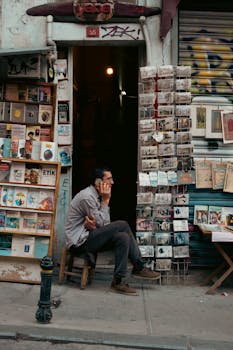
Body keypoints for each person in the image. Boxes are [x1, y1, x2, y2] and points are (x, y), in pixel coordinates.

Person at [65, 166, 161, 296]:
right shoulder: (87, 197)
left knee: (123, 237)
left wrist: (97, 221)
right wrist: (106, 200)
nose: (112, 182)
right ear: (98, 182)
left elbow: (102, 226)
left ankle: (118, 281)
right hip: (79, 243)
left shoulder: (96, 195)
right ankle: (139, 266)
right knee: (123, 225)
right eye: (109, 179)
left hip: (89, 236)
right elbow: (104, 225)